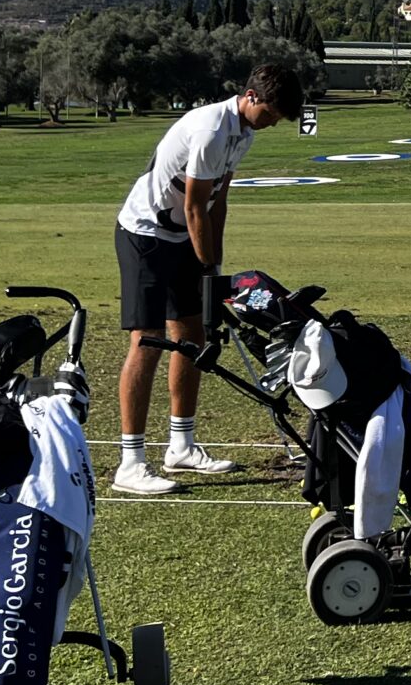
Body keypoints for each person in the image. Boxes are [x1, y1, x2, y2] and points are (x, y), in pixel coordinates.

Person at [110, 61, 303, 495]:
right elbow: (196, 205)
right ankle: (131, 462)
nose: (272, 123)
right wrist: (207, 268)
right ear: (251, 96)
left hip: (182, 235)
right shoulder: (211, 128)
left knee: (192, 336)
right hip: (145, 235)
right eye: (270, 112)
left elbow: (219, 204)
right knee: (148, 339)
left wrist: (214, 265)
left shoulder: (244, 132)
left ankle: (180, 445)